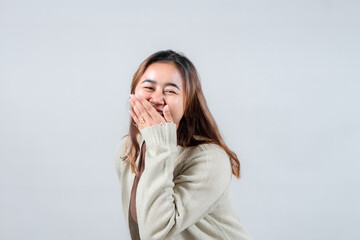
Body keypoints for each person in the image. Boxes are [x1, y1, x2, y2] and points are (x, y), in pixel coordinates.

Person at [114, 50, 251, 240]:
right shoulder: (128, 149)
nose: (156, 99)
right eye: (149, 88)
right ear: (133, 93)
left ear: (188, 103)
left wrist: (160, 145)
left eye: (170, 91)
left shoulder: (210, 159)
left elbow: (156, 234)